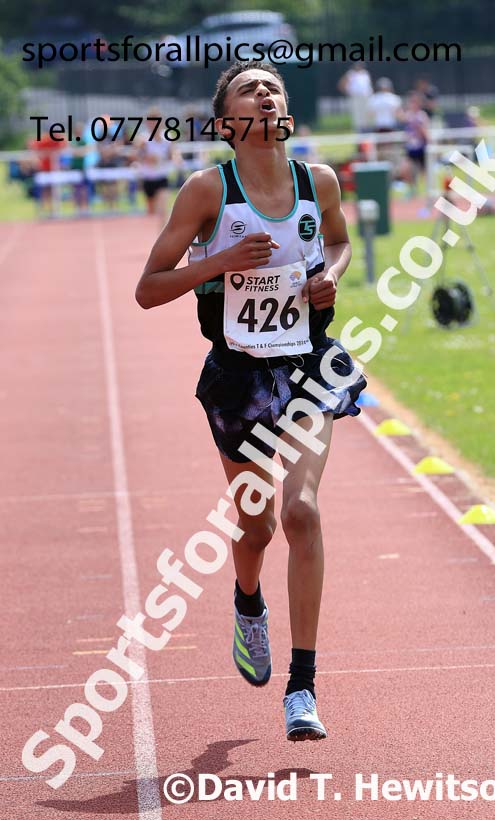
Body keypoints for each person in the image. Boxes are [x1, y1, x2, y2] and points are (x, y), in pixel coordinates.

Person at [136, 60, 367, 742]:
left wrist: (329, 276)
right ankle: (246, 602)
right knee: (257, 528)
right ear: (226, 122)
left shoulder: (314, 180)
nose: (265, 93)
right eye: (249, 89)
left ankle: (302, 687)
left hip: (306, 367)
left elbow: (339, 239)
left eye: (273, 86)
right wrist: (217, 264)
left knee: (301, 512)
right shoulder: (207, 192)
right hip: (237, 377)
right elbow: (149, 287)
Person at [137, 108, 175, 226]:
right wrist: (146, 157)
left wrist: (176, 158)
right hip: (148, 179)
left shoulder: (167, 137)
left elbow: (172, 153)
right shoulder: (143, 139)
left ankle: (163, 239)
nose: (154, 124)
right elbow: (137, 156)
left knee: (162, 211)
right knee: (151, 211)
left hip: (162, 178)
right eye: (151, 121)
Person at [337, 62, 373, 133]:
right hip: (355, 96)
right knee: (357, 114)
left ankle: (366, 129)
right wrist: (347, 92)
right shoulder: (350, 74)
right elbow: (342, 84)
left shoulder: (365, 73)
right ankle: (358, 130)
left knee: (366, 113)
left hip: (366, 96)